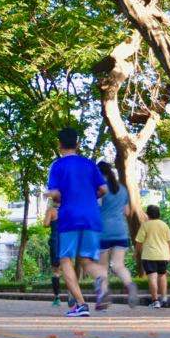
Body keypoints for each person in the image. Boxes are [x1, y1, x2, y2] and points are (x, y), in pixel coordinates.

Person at [45, 127, 108, 318]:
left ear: (59, 145)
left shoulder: (57, 166)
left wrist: (50, 195)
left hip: (70, 216)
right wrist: (89, 196)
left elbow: (55, 193)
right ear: (77, 144)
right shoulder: (89, 164)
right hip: (91, 216)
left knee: (65, 260)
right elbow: (104, 189)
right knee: (87, 261)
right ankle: (102, 281)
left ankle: (81, 305)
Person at [95, 161, 140, 309]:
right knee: (118, 265)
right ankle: (129, 284)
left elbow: (96, 208)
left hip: (103, 232)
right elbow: (127, 212)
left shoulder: (100, 189)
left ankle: (103, 296)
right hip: (121, 230)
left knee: (102, 267)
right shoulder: (122, 189)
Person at [135, 205, 170, 308]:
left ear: (147, 214)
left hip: (149, 255)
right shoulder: (164, 225)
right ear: (158, 214)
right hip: (163, 255)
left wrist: (138, 253)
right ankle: (164, 298)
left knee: (152, 277)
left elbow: (139, 242)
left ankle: (155, 301)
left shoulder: (145, 225)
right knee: (162, 276)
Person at [43, 197, 62, 306]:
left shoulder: (51, 210)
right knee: (68, 268)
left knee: (56, 271)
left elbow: (45, 224)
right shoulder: (68, 209)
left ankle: (57, 298)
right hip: (67, 240)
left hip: (56, 241)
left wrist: (47, 213)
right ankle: (72, 294)